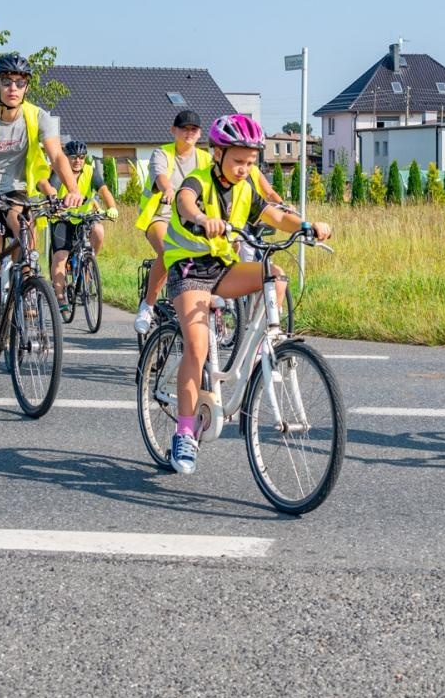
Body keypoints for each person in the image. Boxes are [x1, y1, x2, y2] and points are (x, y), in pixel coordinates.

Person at [161, 113, 332, 474]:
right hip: (189, 269)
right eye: (238, 161)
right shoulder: (199, 179)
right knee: (197, 347)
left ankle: (260, 349)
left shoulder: (245, 190)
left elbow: (274, 215)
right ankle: (185, 434)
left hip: (221, 268)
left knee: (276, 274)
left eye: (251, 162)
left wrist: (306, 225)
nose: (244, 168)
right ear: (218, 153)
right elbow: (184, 202)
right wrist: (201, 219)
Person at [0, 52, 83, 381]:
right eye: (7, 82)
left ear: (26, 87)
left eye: (20, 83)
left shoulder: (39, 116)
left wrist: (72, 188)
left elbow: (56, 153)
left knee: (24, 232)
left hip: (14, 192)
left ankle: (27, 286)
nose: (14, 88)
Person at [135, 109, 209, 333]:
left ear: (199, 134)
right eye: (184, 128)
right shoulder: (163, 153)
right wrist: (167, 188)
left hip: (190, 218)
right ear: (173, 130)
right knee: (168, 252)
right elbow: (161, 176)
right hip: (160, 214)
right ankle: (147, 305)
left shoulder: (206, 159)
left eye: (193, 129)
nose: (188, 132)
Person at [48, 139, 119, 293]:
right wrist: (53, 205)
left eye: (81, 157)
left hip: (83, 217)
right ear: (66, 157)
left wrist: (112, 207)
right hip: (62, 218)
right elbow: (52, 190)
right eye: (73, 157)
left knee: (99, 230)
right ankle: (60, 299)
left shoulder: (90, 171)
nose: (77, 161)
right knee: (60, 258)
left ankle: (88, 262)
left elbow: (104, 190)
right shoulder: (60, 171)